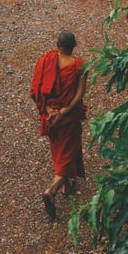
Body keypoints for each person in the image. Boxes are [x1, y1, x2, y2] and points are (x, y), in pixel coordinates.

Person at [30, 30, 88, 220]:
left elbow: (37, 90)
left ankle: (66, 185)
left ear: (57, 45)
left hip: (51, 118)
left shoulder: (46, 60)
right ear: (74, 46)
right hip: (67, 118)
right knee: (68, 153)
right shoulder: (80, 66)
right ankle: (51, 191)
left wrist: (49, 111)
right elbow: (79, 96)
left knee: (60, 151)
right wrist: (63, 111)